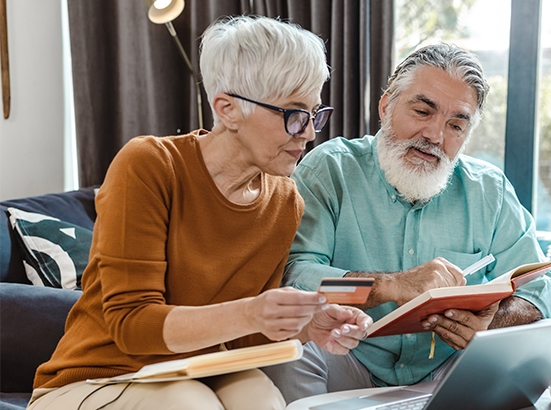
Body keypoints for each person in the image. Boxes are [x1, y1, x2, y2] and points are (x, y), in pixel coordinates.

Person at [27, 15, 371, 410]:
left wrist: (307, 327)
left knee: (261, 398)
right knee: (189, 403)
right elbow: (131, 325)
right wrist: (251, 313)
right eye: (294, 114)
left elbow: (242, 336)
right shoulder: (150, 165)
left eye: (315, 114)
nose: (310, 132)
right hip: (97, 375)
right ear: (227, 109)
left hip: (195, 369)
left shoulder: (285, 200)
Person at [261, 43, 551, 403]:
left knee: (536, 334)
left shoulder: (489, 190)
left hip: (446, 370)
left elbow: (545, 290)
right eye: (423, 111)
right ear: (386, 106)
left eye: (456, 125)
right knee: (291, 345)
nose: (435, 135)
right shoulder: (331, 169)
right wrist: (391, 286)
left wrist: (491, 321)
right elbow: (298, 278)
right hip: (347, 358)